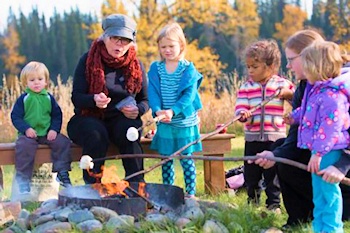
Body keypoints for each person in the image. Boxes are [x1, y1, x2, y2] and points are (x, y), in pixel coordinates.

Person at [254, 29, 350, 228]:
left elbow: (333, 129)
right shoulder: (307, 87)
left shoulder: (337, 91)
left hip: (340, 158)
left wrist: (341, 166)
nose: (288, 66)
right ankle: (301, 218)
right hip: (322, 153)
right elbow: (296, 136)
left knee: (330, 196)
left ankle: (335, 221)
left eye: (291, 59)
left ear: (311, 58)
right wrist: (275, 155)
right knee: (282, 149)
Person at [67, 14, 149, 184]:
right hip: (89, 116)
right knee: (96, 134)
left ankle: (137, 186)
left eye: (125, 40)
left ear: (131, 42)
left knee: (130, 134)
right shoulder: (88, 60)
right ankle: (93, 189)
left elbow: (145, 101)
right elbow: (77, 98)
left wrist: (138, 110)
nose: (120, 44)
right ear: (104, 37)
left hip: (122, 119)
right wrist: (93, 99)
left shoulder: (136, 65)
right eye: (115, 38)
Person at [288, 41, 350, 233]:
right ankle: (320, 228)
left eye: (306, 66)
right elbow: (309, 110)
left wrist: (318, 153)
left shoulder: (332, 96)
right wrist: (294, 117)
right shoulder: (317, 91)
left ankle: (332, 229)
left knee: (329, 193)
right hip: (319, 152)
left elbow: (329, 129)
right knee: (319, 194)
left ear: (316, 67)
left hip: (328, 152)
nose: (303, 71)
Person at [235, 39, 295, 211]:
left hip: (274, 139)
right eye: (248, 67)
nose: (250, 71)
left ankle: (273, 205)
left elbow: (298, 101)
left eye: (255, 66)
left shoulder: (281, 84)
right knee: (251, 173)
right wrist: (242, 115)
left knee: (273, 175)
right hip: (252, 139)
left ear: (270, 66)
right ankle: (252, 202)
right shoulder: (246, 86)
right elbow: (240, 106)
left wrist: (287, 95)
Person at [148, 22, 203, 198]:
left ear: (181, 45)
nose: (167, 50)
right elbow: (153, 92)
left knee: (186, 159)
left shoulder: (188, 69)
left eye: (171, 46)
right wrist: (157, 110)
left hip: (184, 122)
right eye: (163, 46)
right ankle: (168, 192)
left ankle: (190, 193)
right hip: (164, 121)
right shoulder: (157, 68)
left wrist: (173, 110)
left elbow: (189, 96)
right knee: (166, 159)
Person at [11, 61, 72, 194]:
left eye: (40, 79)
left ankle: (62, 172)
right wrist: (26, 129)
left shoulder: (49, 98)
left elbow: (57, 115)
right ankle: (23, 180)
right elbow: (16, 117)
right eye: (32, 80)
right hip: (29, 135)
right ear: (25, 83)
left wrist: (54, 130)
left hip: (46, 133)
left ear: (46, 82)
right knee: (23, 147)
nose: (36, 82)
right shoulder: (24, 99)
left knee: (63, 142)